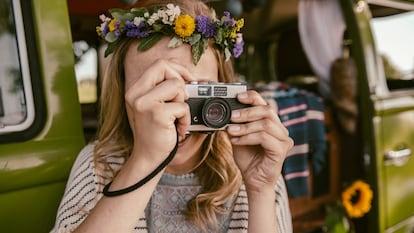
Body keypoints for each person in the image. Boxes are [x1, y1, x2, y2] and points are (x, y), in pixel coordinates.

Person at [51, 0, 294, 232]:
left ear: (224, 95)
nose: (176, 114)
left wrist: (261, 191)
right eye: (155, 92)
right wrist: (144, 160)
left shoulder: (255, 165)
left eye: (196, 93)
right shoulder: (98, 165)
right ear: (123, 98)